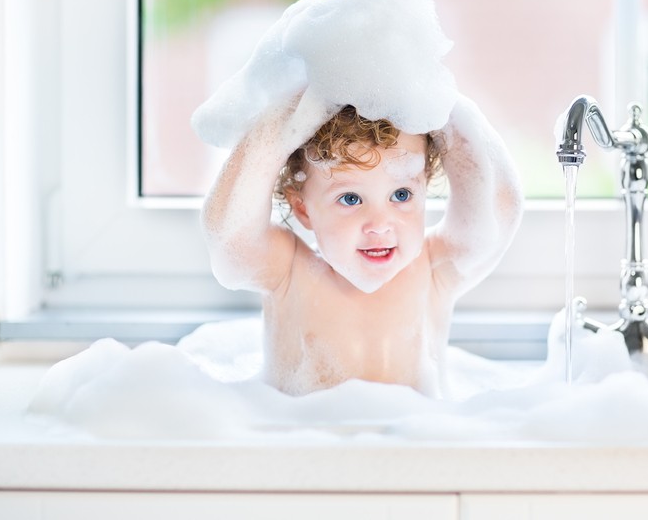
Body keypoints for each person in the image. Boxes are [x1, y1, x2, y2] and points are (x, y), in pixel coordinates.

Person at [199, 88, 522, 397]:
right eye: (351, 198)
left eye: (401, 194)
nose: (380, 225)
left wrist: (445, 106)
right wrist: (280, 121)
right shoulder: (288, 271)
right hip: (307, 445)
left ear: (424, 187)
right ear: (302, 208)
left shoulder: (433, 268)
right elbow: (230, 235)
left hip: (414, 445)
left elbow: (499, 211)